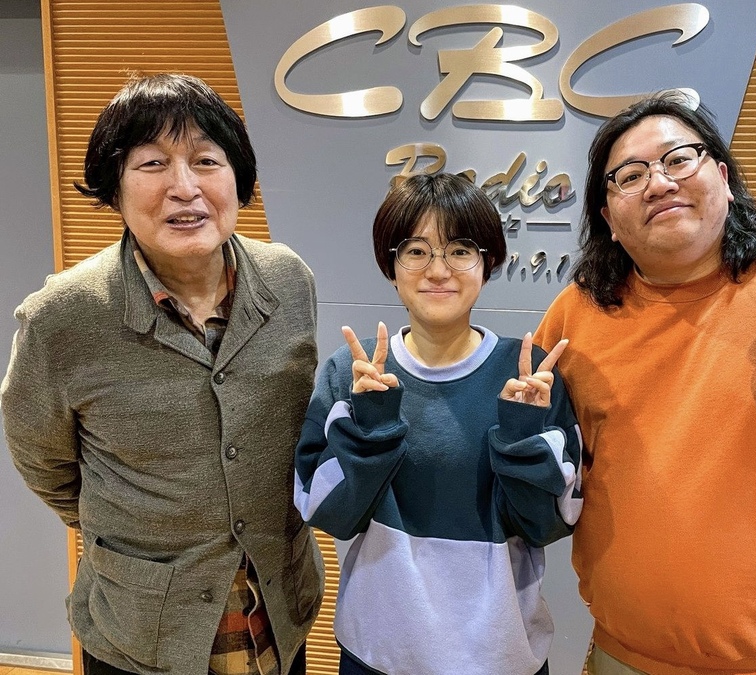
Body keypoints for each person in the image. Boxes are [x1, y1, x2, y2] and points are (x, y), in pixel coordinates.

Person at [534, 91, 756, 675]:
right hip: (622, 653)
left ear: (724, 180)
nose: (658, 184)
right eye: (630, 175)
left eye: (679, 159)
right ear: (608, 220)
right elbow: (549, 464)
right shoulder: (577, 312)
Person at [1, 74, 324, 675]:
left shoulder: (289, 281)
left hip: (279, 613)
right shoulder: (62, 318)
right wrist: (127, 528)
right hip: (140, 632)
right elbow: (43, 461)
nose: (185, 187)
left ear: (238, 179)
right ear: (114, 188)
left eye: (206, 161)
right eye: (152, 163)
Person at [293, 172, 582, 675]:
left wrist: (520, 433)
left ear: (488, 263)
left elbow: (549, 524)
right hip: (378, 653)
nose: (438, 270)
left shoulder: (529, 377)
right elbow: (328, 514)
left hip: (501, 655)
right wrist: (370, 425)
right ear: (391, 266)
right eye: (416, 251)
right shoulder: (353, 374)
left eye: (460, 250)